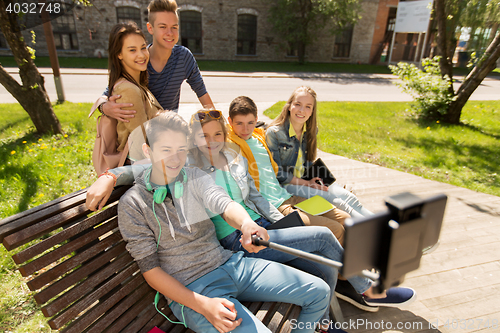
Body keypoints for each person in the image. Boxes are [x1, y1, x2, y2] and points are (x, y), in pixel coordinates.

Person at [118, 111, 331, 333]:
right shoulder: (132, 204)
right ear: (147, 151)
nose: (175, 158)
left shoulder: (193, 176)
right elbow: (151, 271)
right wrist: (204, 305)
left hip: (231, 264)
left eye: (181, 149)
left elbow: (225, 204)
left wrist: (247, 224)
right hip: (194, 290)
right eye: (165, 150)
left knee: (319, 292)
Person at [92, 0, 214, 122]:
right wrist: (104, 107)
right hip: (139, 131)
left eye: (174, 27)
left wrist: (217, 123)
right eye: (163, 27)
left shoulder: (183, 56)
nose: (170, 33)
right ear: (150, 28)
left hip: (169, 130)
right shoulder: (139, 60)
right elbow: (107, 93)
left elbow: (202, 93)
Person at [265, 87, 373, 218]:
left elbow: (308, 161)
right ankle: (369, 229)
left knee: (348, 197)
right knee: (336, 201)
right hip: (287, 185)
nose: (301, 110)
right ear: (289, 106)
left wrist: (317, 179)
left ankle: (381, 223)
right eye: (297, 104)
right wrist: (308, 184)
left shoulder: (310, 131)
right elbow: (277, 173)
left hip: (307, 177)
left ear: (312, 112)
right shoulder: (274, 133)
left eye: (308, 107)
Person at [91, 22, 164, 161]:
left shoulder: (136, 84)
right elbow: (142, 142)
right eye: (132, 50)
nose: (141, 55)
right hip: (142, 169)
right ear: (119, 54)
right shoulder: (128, 89)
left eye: (143, 48)